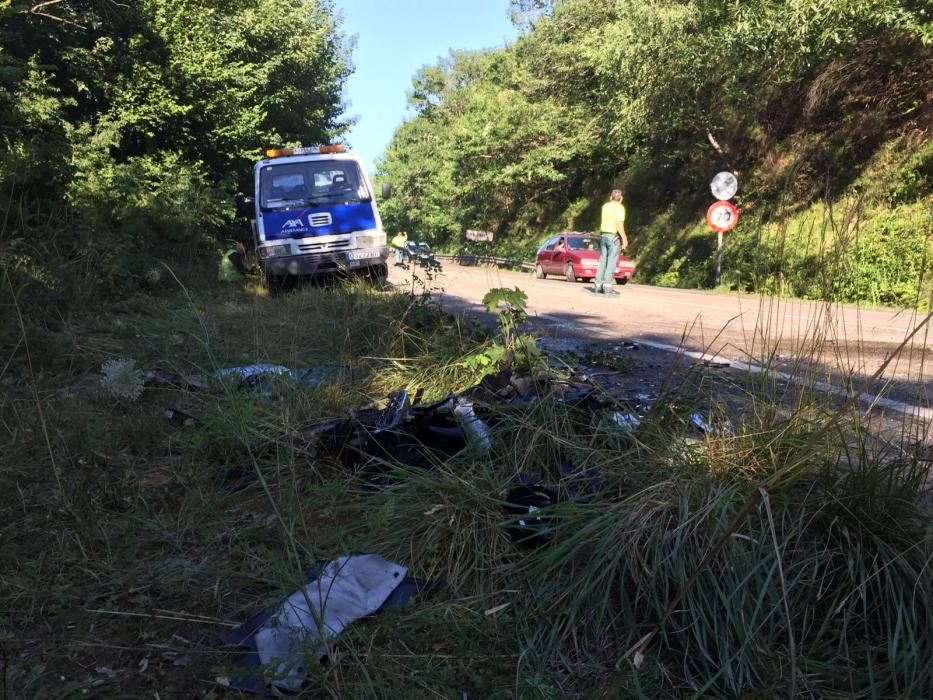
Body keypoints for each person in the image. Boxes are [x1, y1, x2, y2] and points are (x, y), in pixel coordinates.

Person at [591, 189, 628, 295]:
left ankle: (597, 285)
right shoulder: (620, 208)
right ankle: (607, 286)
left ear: (610, 197)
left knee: (603, 260)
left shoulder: (605, 206)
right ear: (620, 198)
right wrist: (625, 239)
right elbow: (619, 225)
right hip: (613, 238)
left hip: (603, 236)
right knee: (611, 261)